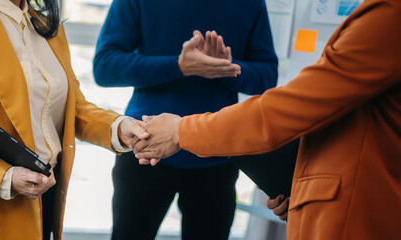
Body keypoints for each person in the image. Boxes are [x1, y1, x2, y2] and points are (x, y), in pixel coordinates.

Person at [131, 0, 401, 239]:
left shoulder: (391, 14)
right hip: (149, 151)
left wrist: (182, 128)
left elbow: (294, 99)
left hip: (214, 159)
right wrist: (300, 180)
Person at [0, 0, 148, 239]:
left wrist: (119, 127)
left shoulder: (47, 26)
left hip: (43, 197)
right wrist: (4, 176)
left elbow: (73, 107)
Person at [92, 0, 278, 239]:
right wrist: (179, 66)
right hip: (146, 149)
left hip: (215, 156)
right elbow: (105, 67)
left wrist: (226, 68)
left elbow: (267, 77)